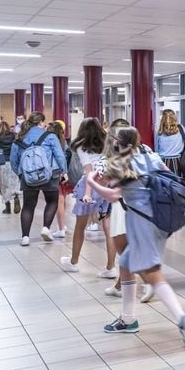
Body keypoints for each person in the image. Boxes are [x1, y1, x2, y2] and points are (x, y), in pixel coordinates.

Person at [87, 126, 185, 346]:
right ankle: (128, 319)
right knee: (126, 262)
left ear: (117, 142)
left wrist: (91, 182)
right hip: (159, 220)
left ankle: (183, 319)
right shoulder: (150, 156)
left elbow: (112, 196)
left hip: (141, 225)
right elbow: (169, 175)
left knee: (153, 275)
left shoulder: (118, 163)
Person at [101, 119, 151, 300]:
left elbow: (107, 182)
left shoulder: (116, 159)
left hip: (123, 207)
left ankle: (149, 281)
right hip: (143, 205)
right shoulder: (147, 152)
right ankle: (120, 285)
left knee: (126, 250)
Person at [60, 118, 115, 276]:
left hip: (90, 185)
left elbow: (89, 170)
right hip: (107, 184)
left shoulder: (80, 146)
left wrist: (87, 193)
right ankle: (111, 267)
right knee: (108, 227)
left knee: (80, 226)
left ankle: (74, 262)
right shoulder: (108, 142)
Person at [10, 112, 67, 246]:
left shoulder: (19, 138)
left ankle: (25, 237)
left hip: (28, 176)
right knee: (52, 201)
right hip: (50, 175)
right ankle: (46, 228)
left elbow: (13, 161)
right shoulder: (50, 136)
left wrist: (21, 174)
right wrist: (63, 171)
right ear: (41, 122)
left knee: (28, 206)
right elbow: (59, 156)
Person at [47, 120, 71, 239]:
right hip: (63, 175)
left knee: (58, 202)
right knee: (63, 200)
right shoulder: (63, 142)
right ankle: (63, 225)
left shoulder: (50, 142)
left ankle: (61, 228)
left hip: (56, 174)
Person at [0, 120, 21, 214]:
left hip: (2, 163)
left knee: (4, 184)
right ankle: (16, 196)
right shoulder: (14, 136)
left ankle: (7, 206)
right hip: (13, 162)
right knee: (14, 181)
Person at [155, 109, 185, 177]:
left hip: (162, 162)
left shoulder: (160, 132)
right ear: (174, 117)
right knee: (177, 183)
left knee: (164, 184)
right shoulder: (180, 128)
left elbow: (157, 149)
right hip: (177, 161)